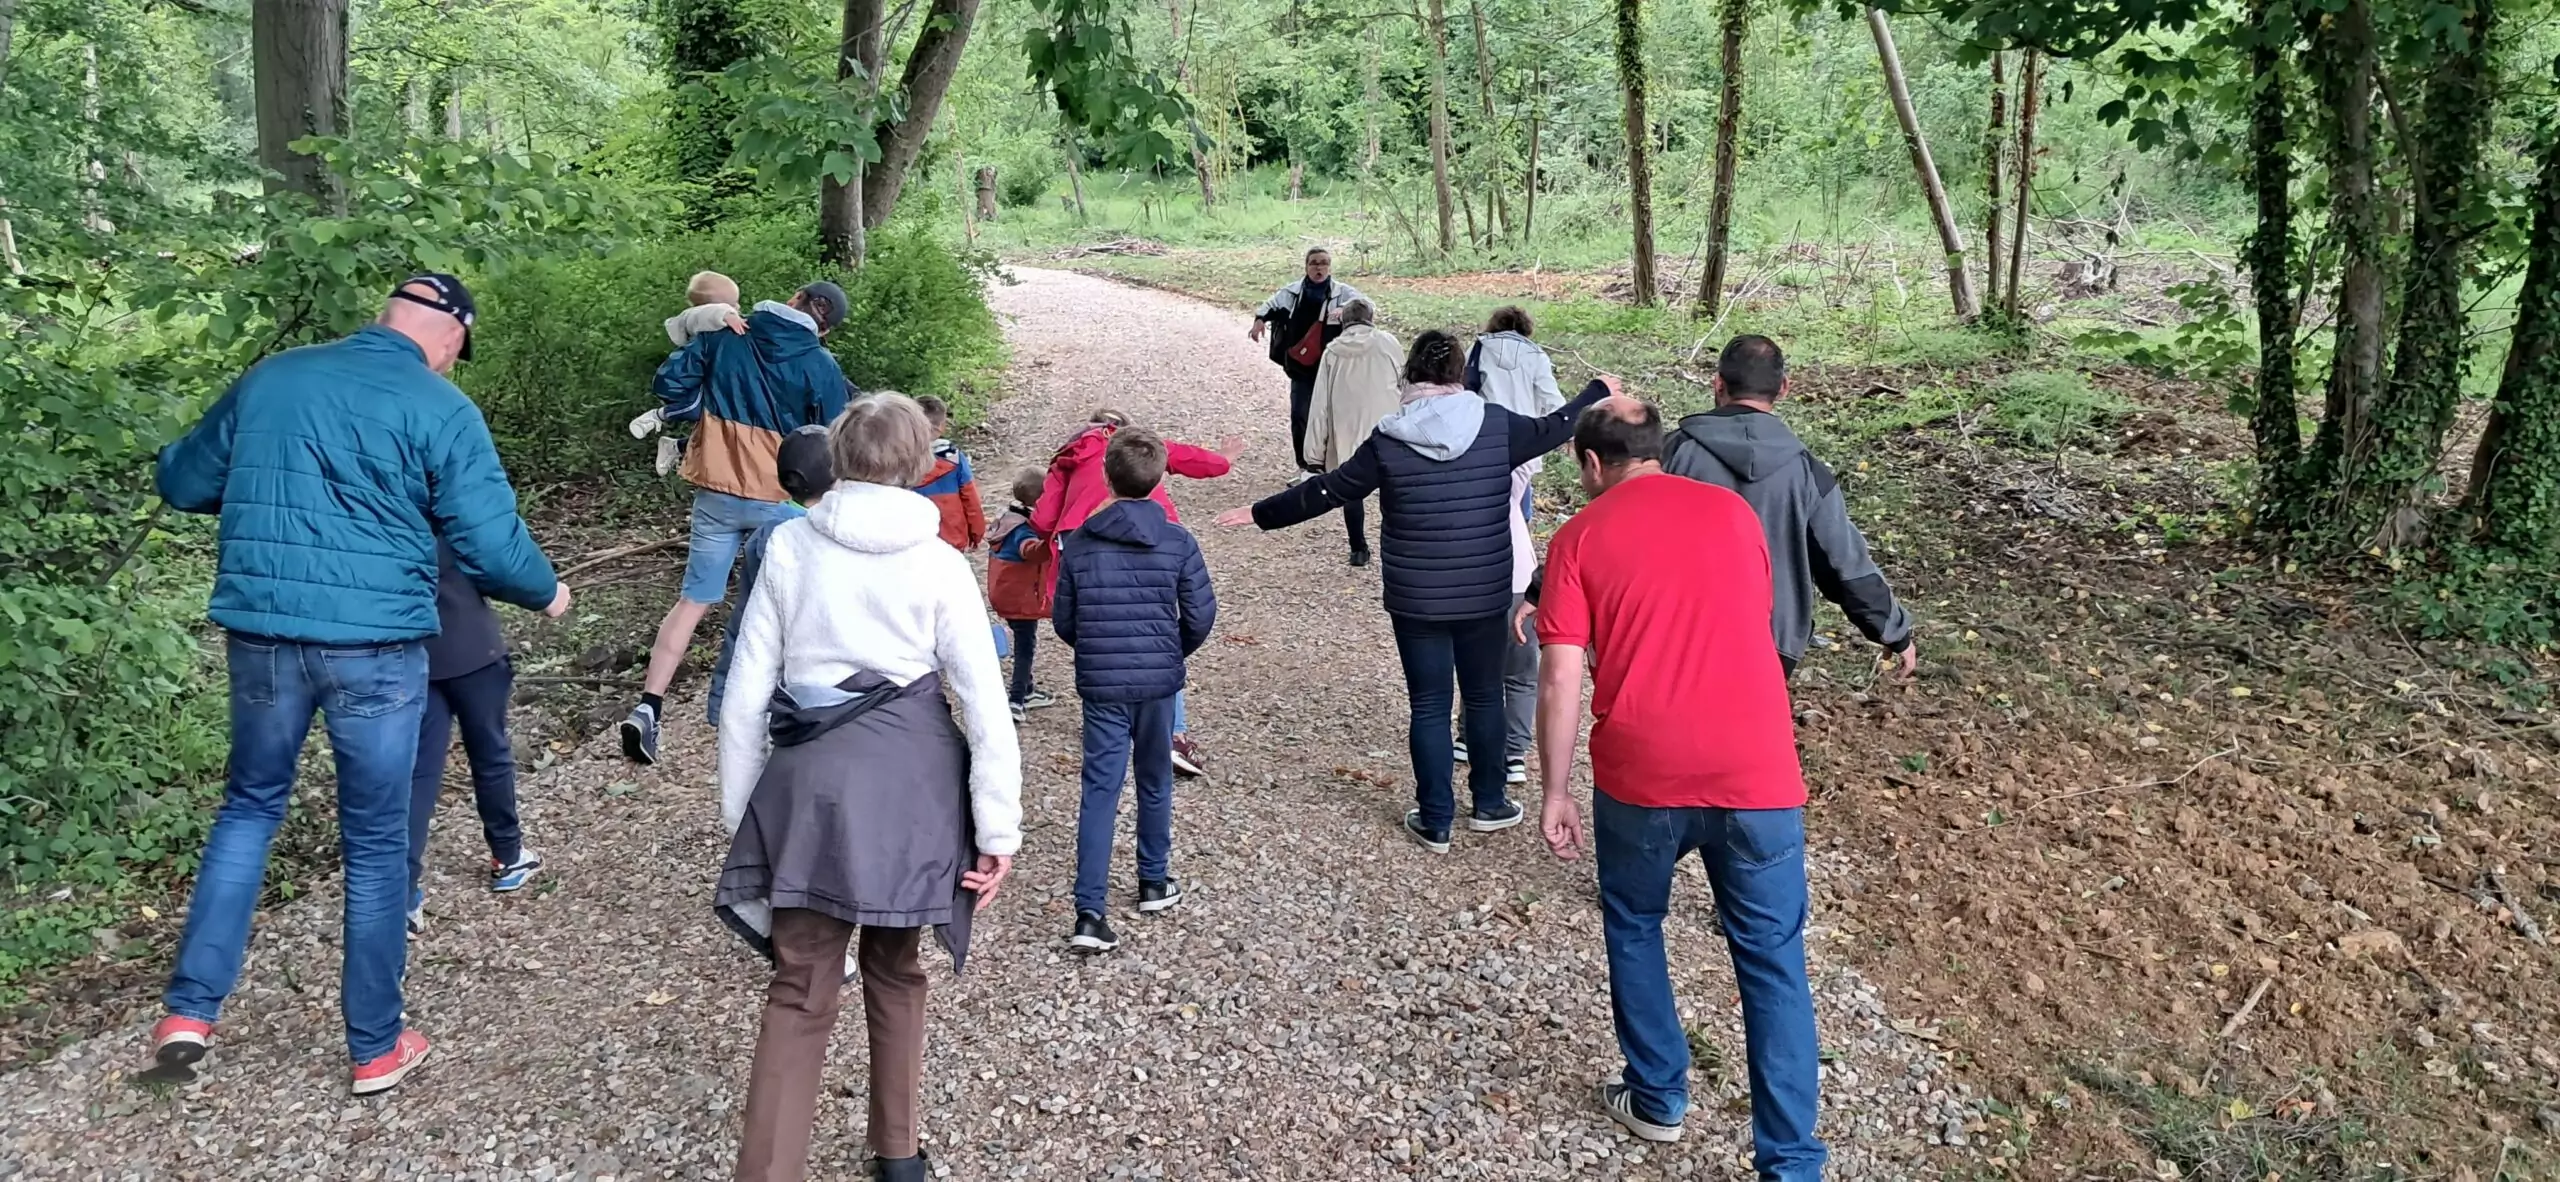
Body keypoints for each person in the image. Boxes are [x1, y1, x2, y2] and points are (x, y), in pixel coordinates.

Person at [148, 274, 569, 1095]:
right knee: (376, 841)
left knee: (249, 808)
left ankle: (190, 1012)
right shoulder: (441, 406)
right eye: (456, 353)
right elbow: (489, 543)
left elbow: (185, 481)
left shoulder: (275, 377)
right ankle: (374, 1046)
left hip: (265, 638)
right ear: (450, 336)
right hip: (376, 647)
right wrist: (547, 590)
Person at [712, 393, 1020, 1182]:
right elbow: (985, 703)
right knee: (896, 968)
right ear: (920, 463)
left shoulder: (791, 547)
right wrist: (998, 831)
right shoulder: (939, 562)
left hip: (809, 790)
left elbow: (746, 695)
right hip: (914, 790)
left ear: (839, 457)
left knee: (799, 985)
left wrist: (746, 817)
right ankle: (898, 1154)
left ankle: (768, 1172)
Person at [1528, 396, 1825, 1177]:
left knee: (1634, 922)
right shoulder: (1733, 514)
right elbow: (1750, 616)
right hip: (1759, 770)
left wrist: (1555, 790)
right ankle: (1792, 1162)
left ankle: (1658, 1094)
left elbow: (1559, 677)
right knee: (1773, 961)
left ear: (1592, 463)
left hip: (1644, 773)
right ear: (1656, 447)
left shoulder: (1579, 537)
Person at [1216, 330, 1611, 852]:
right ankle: (1490, 803)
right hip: (1484, 593)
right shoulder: (1497, 426)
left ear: (1409, 376)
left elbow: (1329, 489)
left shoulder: (1389, 439)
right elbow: (1556, 426)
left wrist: (1262, 512)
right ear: (1461, 376)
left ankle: (1436, 819)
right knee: (1485, 696)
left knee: (1428, 704)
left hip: (1416, 598)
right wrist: (1597, 391)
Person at [622, 281, 854, 766]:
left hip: (717, 492)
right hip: (780, 500)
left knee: (693, 601)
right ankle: (781, 714)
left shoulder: (727, 334)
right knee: (789, 604)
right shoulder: (820, 364)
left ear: (794, 297)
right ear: (825, 327)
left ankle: (648, 708)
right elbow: (833, 436)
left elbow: (669, 386)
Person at [1050, 429, 1217, 954]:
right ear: (1161, 477)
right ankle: (1153, 880)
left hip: (1102, 681)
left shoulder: (1080, 544)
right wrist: (1169, 651)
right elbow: (1201, 615)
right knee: (1154, 779)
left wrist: (1099, 647)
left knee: (1100, 789)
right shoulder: (1178, 541)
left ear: (1106, 477)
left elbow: (1064, 619)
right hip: (1158, 681)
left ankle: (1090, 911)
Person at [1663, 334, 1916, 679]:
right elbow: (1844, 565)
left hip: (1675, 637)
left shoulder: (1670, 454)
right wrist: (1893, 630)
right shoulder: (1808, 473)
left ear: (1718, 383)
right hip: (1769, 646)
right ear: (1783, 387)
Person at [1033, 409, 1241, 778]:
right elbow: (1186, 457)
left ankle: (1109, 718)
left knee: (1100, 628)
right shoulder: (1137, 445)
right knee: (1156, 627)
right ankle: (1173, 733)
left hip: (1084, 537)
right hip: (1152, 533)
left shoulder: (1070, 453)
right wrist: (1223, 461)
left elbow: (1044, 517)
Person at [404, 541, 545, 940]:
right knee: (490, 754)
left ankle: (400, 896)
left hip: (414, 651)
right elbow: (497, 562)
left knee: (418, 774)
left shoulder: (377, 513)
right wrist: (546, 593)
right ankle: (508, 856)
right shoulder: (449, 508)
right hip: (472, 644)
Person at [1452, 305, 1563, 782]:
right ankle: (1514, 752)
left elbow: (1466, 389)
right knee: (1521, 666)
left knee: (1475, 657)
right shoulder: (1535, 355)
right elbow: (1553, 401)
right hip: (1524, 452)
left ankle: (1466, 736)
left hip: (1480, 443)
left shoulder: (1480, 349)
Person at [706, 426, 837, 725]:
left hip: (765, 680)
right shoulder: (817, 539)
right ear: (837, 476)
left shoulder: (765, 533)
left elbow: (743, 621)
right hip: (799, 689)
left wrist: (721, 699)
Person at [1249, 248, 1367, 475]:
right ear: (1306, 267)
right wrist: (1259, 322)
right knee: (1301, 416)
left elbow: (1367, 307)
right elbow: (1268, 307)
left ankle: (1332, 464)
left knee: (1333, 416)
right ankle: (1306, 466)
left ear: (1329, 267)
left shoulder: (1343, 293)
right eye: (1314, 263)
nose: (1319, 267)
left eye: (1323, 263)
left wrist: (1344, 310)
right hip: (1301, 368)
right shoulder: (1292, 293)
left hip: (1333, 368)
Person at [1301, 298, 1400, 566]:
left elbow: (1320, 404)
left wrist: (1313, 453)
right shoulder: (1388, 343)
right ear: (1371, 318)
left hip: (1346, 430)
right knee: (1392, 487)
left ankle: (1358, 548)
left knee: (1352, 489)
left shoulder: (1333, 352)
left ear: (1343, 321)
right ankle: (1395, 544)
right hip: (1387, 428)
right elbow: (1405, 384)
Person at [629, 271, 751, 477]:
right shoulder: (701, 318)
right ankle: (656, 416)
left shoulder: (715, 325)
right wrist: (725, 314)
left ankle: (676, 447)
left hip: (717, 381)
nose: (737, 308)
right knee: (696, 409)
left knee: (720, 432)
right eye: (733, 304)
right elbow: (702, 314)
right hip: (695, 380)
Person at [987, 468, 1058, 722]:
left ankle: (1027, 689)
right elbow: (1029, 550)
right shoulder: (1023, 530)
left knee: (1023, 639)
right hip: (1020, 598)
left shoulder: (1009, 517)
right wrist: (1051, 542)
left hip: (1005, 593)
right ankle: (1016, 700)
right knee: (1025, 647)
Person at [912, 394, 987, 551]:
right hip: (952, 538)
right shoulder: (955, 459)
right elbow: (970, 498)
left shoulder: (900, 463)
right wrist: (977, 532)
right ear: (941, 426)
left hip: (916, 541)